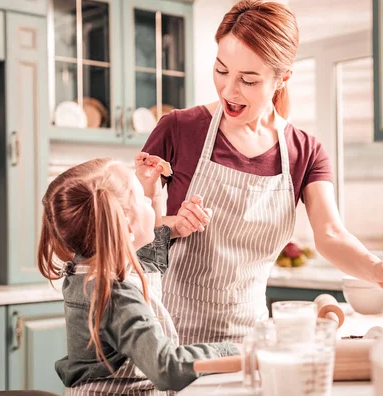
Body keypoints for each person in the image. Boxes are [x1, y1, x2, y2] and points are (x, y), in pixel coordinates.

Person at [142, 0, 383, 345]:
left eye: (248, 80)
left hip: (249, 343)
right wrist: (171, 224)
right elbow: (126, 235)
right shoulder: (177, 129)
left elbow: (331, 235)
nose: (229, 91)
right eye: (221, 71)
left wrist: (379, 269)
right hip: (166, 340)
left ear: (282, 78)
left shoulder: (304, 152)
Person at [37, 153, 240, 395]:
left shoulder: (88, 265)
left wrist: (152, 194)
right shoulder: (115, 294)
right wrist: (237, 351)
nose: (148, 203)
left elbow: (145, 260)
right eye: (141, 200)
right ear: (126, 226)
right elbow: (167, 368)